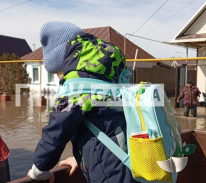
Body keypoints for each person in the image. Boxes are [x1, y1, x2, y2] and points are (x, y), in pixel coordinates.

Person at [27, 21, 137, 183]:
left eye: (58, 74)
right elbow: (103, 125)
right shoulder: (107, 75)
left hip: (111, 173)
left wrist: (39, 170)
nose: (61, 82)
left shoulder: (78, 84)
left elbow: (57, 131)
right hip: (132, 161)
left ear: (62, 62)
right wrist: (80, 158)